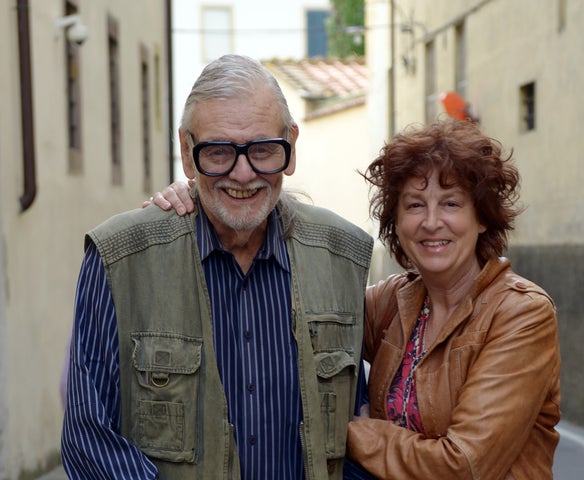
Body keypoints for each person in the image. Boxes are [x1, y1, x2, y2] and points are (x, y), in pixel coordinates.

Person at [153, 118, 562, 479]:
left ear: (482, 216)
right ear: (396, 223)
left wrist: (346, 430)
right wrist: (204, 198)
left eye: (451, 204)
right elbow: (290, 316)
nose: (431, 221)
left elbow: (463, 466)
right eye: (414, 205)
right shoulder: (393, 301)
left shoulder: (521, 313)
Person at [61, 54, 373, 479]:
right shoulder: (121, 258)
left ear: (291, 146)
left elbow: (359, 435)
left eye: (263, 150)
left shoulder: (344, 258)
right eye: (220, 151)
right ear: (188, 154)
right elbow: (87, 438)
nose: (243, 174)